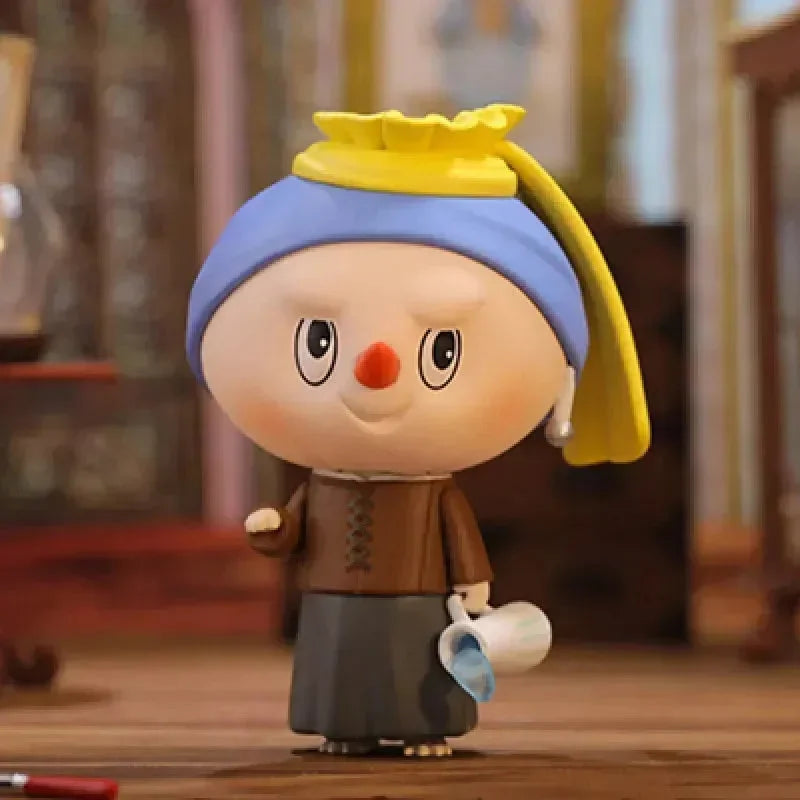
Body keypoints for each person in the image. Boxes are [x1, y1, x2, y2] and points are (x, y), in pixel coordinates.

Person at [185, 104, 650, 758]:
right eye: (319, 341)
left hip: (421, 602)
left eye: (441, 351)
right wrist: (276, 530)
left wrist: (473, 589)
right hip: (333, 602)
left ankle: (426, 726)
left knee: (419, 666)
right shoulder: (324, 486)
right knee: (340, 666)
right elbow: (295, 529)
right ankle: (343, 727)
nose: (376, 370)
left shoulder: (433, 493)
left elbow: (457, 534)